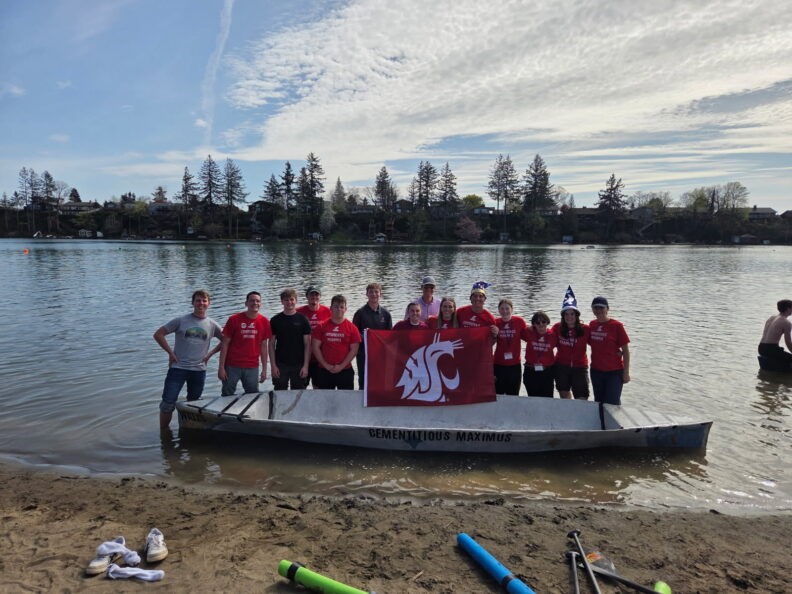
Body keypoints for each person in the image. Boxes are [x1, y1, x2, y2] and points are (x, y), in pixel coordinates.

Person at [153, 290, 223, 429]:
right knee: (168, 403)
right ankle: (164, 433)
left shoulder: (212, 324)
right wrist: (170, 353)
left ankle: (187, 430)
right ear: (193, 303)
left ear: (209, 303)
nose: (201, 303)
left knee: (193, 404)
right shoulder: (180, 320)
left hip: (198, 370)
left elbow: (226, 340)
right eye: (198, 300)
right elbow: (158, 334)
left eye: (204, 301)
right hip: (178, 368)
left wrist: (210, 354)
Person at [217, 291, 271, 396]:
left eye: (257, 301)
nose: (255, 303)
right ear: (246, 303)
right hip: (232, 365)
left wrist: (264, 369)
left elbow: (264, 347)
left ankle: (249, 413)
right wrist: (221, 367)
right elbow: (225, 344)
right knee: (227, 395)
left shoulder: (265, 322)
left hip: (252, 366)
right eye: (252, 300)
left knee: (252, 396)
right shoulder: (234, 319)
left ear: (261, 304)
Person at [312, 294, 362, 390]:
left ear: (345, 309)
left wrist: (341, 366)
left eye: (341, 307)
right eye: (335, 307)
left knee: (345, 400)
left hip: (345, 370)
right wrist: (326, 365)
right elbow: (315, 347)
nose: (339, 309)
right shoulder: (321, 326)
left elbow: (354, 350)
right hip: (324, 370)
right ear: (330, 308)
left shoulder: (352, 328)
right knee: (325, 400)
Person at [588, 296, 630, 405]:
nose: (598, 310)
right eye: (595, 308)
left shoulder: (617, 326)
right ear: (592, 309)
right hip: (596, 371)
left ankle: (614, 421)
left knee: (612, 403)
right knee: (599, 403)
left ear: (607, 309)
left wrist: (626, 373)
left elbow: (625, 351)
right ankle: (600, 422)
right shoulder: (592, 325)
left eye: (601, 308)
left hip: (614, 372)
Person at [269, 288, 312, 390]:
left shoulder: (303, 319)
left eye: (292, 299)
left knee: (298, 393)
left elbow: (307, 344)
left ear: (296, 301)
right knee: (279, 392)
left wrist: (306, 366)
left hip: (299, 364)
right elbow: (271, 344)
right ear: (282, 301)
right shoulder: (275, 320)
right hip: (281, 364)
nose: (289, 302)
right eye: (286, 300)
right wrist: (273, 366)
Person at [352, 283, 393, 389]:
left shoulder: (386, 314)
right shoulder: (360, 313)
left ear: (381, 294)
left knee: (380, 380)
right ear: (366, 294)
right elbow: (353, 336)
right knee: (364, 380)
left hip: (379, 354)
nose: (373, 294)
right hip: (363, 354)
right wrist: (365, 334)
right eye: (371, 292)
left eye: (376, 292)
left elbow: (390, 337)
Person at [552, 286, 590, 400]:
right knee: (564, 396)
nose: (569, 317)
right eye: (566, 314)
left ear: (577, 315)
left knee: (582, 397)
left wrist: (616, 351)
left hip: (580, 367)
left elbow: (600, 344)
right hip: (561, 366)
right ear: (563, 316)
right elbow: (546, 340)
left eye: (572, 314)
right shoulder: (557, 328)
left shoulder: (585, 329)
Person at [296, 286, 332, 387]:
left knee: (318, 387)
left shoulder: (328, 311)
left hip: (320, 357)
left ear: (320, 296)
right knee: (300, 388)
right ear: (307, 296)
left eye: (316, 294)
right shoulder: (298, 312)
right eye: (311, 294)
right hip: (303, 357)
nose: (314, 297)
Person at [493, 298, 526, 395]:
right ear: (498, 310)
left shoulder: (519, 321)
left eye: (507, 308)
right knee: (498, 394)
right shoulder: (495, 322)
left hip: (514, 365)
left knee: (514, 394)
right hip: (499, 364)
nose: (505, 311)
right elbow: (488, 342)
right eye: (502, 309)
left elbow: (528, 336)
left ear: (512, 309)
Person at [522, 311, 557, 397]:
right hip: (530, 371)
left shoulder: (553, 335)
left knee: (547, 399)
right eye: (537, 322)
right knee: (533, 399)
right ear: (533, 324)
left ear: (547, 322)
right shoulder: (528, 332)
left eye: (543, 321)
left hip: (547, 372)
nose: (541, 324)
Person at [758, 299, 792, 369]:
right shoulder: (786, 322)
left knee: (781, 353)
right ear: (788, 309)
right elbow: (788, 342)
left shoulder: (771, 318)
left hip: (761, 348)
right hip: (771, 349)